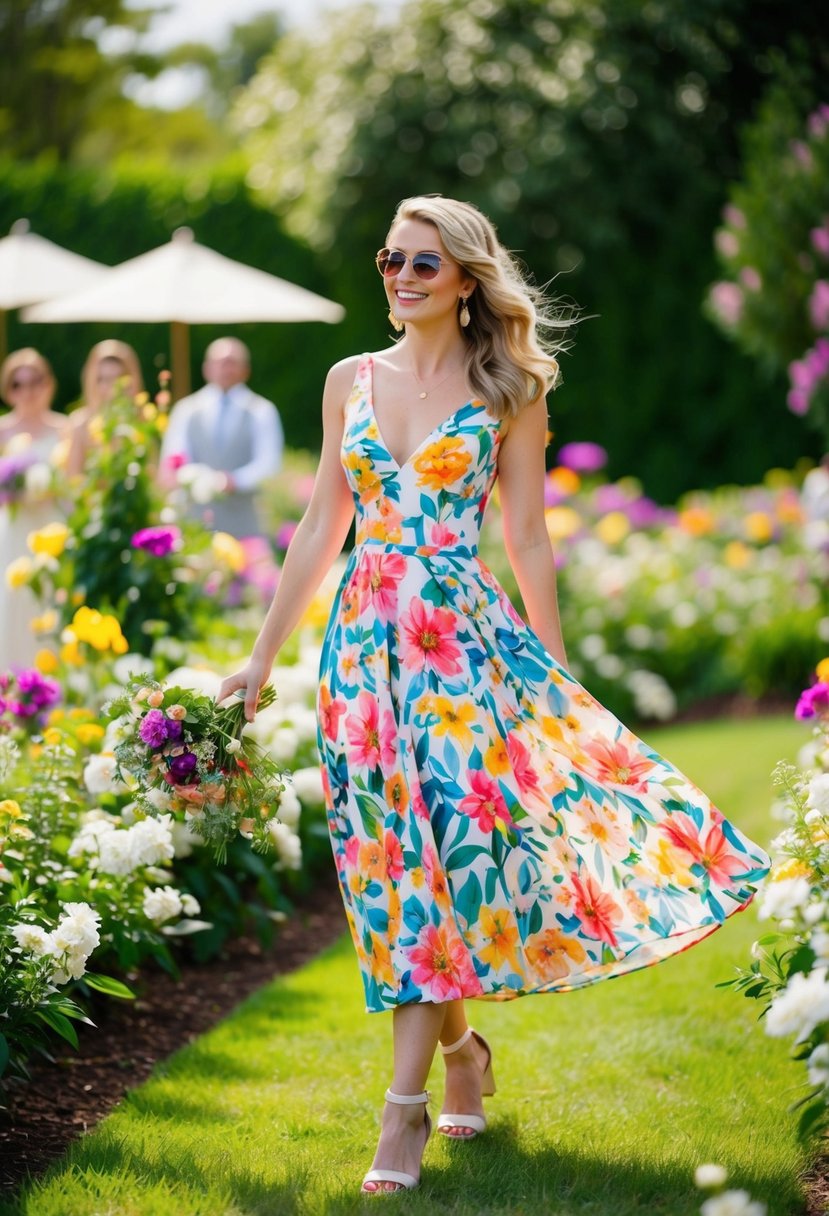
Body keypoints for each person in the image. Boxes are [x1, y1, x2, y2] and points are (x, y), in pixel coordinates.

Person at [218, 196, 771, 1194]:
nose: (400, 276)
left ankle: (401, 1114)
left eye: (423, 264)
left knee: (453, 858)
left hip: (461, 647)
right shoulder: (349, 380)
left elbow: (524, 535)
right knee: (398, 865)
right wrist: (261, 658)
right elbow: (315, 529)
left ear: (466, 278)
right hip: (361, 649)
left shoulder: (510, 385)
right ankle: (462, 1054)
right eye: (391, 259)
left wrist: (553, 674)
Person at [159, 337, 284, 538]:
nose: (226, 369)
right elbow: (173, 457)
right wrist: (197, 478)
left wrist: (235, 480)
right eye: (220, 362)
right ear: (207, 368)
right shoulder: (185, 409)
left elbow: (269, 462)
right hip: (194, 521)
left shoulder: (262, 411)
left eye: (233, 363)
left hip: (244, 521)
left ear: (245, 370)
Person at [0, 348, 67, 671]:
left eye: (35, 381)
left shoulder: (64, 430)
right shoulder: (2, 431)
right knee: (12, 605)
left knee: (50, 603)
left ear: (48, 384)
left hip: (52, 528)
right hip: (12, 533)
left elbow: (75, 482)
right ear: (9, 388)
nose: (27, 391)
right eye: (18, 383)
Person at [66, 339, 144, 478]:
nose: (112, 387)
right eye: (103, 379)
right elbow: (73, 478)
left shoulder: (143, 421)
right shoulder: (81, 424)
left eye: (118, 378)